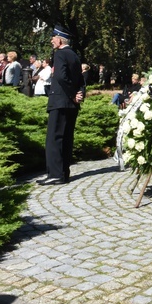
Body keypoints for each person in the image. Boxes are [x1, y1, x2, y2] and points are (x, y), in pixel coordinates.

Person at [37, 26, 85, 186]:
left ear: (59, 40)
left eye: (53, 38)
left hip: (59, 101)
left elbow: (60, 76)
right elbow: (81, 80)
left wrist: (72, 94)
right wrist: (79, 94)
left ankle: (55, 174)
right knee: (66, 139)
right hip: (72, 104)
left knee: (54, 139)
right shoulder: (75, 56)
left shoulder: (60, 54)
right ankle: (63, 173)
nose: (51, 40)